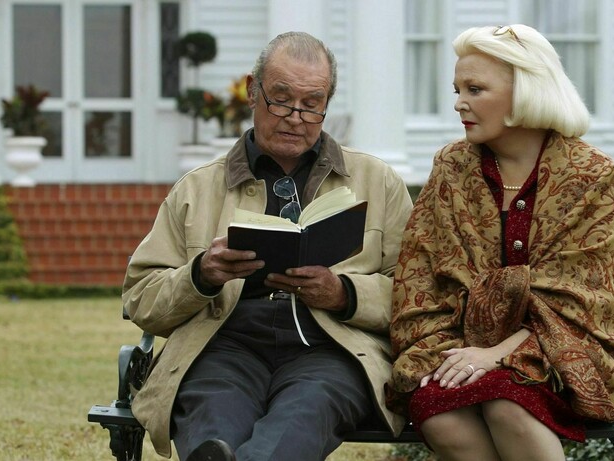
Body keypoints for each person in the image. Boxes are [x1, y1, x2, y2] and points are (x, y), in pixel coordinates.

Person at [123, 31, 412, 461]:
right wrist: (201, 275)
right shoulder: (197, 188)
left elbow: (416, 295)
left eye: (311, 104)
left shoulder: (378, 182)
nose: (295, 117)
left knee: (308, 410)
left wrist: (344, 293)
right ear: (252, 91)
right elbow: (141, 298)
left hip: (331, 348)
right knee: (212, 412)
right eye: (281, 99)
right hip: (223, 342)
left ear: (327, 104)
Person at [387, 24, 614, 461]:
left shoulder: (592, 176)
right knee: (439, 413)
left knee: (507, 403)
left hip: (568, 352)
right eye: (457, 90)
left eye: (475, 89)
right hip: (459, 343)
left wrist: (497, 354)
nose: (459, 103)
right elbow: (423, 275)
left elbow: (584, 299)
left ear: (526, 91)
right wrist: (463, 353)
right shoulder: (452, 167)